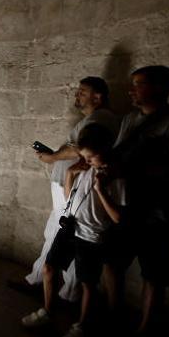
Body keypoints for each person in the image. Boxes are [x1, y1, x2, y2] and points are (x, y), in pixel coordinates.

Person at [11, 77, 119, 298]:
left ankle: (63, 290)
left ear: (97, 97)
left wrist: (52, 158)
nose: (77, 95)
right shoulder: (96, 118)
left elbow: (79, 149)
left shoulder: (102, 118)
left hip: (73, 188)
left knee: (63, 233)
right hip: (68, 184)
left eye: (82, 92)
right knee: (56, 232)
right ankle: (45, 281)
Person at [21, 124, 126, 337]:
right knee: (50, 268)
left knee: (87, 282)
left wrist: (101, 190)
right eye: (85, 157)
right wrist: (70, 173)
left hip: (91, 236)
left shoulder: (116, 178)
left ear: (105, 151)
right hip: (70, 229)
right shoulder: (84, 169)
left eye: (91, 157)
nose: (86, 161)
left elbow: (118, 218)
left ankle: (82, 324)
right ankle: (48, 311)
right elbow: (70, 199)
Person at [109, 65, 169, 334]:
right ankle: (114, 315)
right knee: (111, 261)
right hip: (125, 205)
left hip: (156, 211)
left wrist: (140, 166)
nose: (131, 89)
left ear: (160, 88)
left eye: (139, 83)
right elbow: (117, 154)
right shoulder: (129, 120)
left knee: (154, 274)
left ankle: (146, 329)